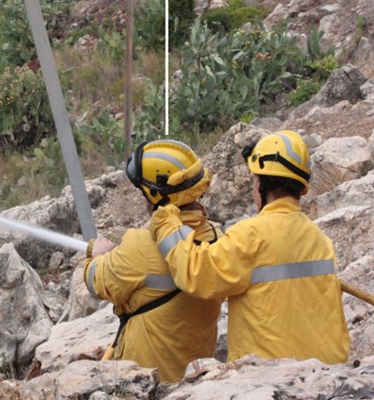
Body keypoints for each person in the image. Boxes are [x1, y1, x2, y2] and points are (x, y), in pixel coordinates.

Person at [150, 130, 350, 364]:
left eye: (254, 180)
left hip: (271, 372)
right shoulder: (319, 238)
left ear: (263, 184)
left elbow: (197, 273)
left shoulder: (250, 235)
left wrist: (166, 223)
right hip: (327, 368)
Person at [84, 139, 223, 382]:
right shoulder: (216, 237)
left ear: (155, 194)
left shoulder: (141, 246)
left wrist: (96, 255)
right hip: (198, 380)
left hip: (147, 384)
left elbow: (98, 282)